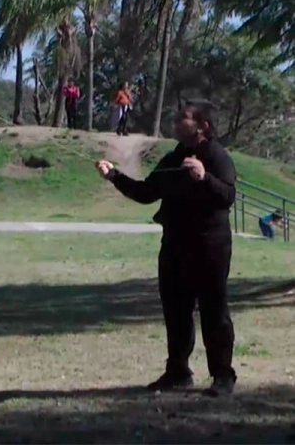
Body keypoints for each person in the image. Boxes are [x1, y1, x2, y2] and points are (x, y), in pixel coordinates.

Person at [94, 100, 238, 397]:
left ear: (202, 127)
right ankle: (178, 372)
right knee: (176, 311)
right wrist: (114, 176)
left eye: (183, 117)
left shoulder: (217, 156)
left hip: (210, 246)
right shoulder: (173, 158)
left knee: (214, 311)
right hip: (174, 244)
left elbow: (227, 196)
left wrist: (204, 177)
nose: (175, 120)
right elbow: (146, 193)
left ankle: (223, 376)